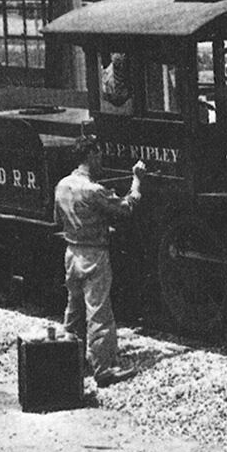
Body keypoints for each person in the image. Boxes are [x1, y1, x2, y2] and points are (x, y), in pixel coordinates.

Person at [54, 136, 146, 388]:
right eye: (99, 155)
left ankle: (68, 361)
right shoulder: (92, 190)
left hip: (71, 253)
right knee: (99, 312)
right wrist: (137, 179)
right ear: (91, 155)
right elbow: (127, 206)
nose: (101, 160)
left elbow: (58, 219)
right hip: (94, 255)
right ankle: (104, 368)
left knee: (73, 311)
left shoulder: (62, 185)